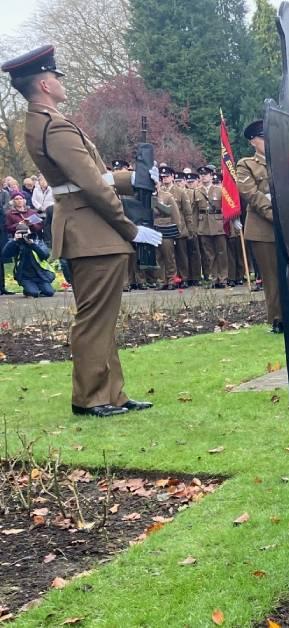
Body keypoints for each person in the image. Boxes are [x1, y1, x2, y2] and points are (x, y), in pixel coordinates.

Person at [4, 44, 161, 417]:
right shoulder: (53, 125)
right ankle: (90, 397)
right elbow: (89, 184)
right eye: (56, 76)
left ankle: (112, 394)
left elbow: (92, 177)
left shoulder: (45, 121)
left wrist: (133, 178)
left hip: (89, 230)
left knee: (102, 318)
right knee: (94, 319)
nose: (60, 81)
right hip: (91, 232)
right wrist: (129, 228)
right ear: (44, 83)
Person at [235, 119, 283, 332]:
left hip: (288, 227)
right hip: (264, 228)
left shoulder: (282, 160)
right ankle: (278, 319)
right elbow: (251, 194)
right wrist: (275, 214)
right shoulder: (246, 164)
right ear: (253, 141)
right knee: (272, 277)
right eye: (263, 137)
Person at [1, 223, 55, 297]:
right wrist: (14, 240)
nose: (24, 235)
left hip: (40, 275)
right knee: (33, 293)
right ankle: (28, 289)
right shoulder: (16, 243)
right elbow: (5, 255)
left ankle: (38, 287)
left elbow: (45, 255)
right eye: (21, 233)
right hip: (25, 276)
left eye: (26, 233)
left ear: (29, 231)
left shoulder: (36, 240)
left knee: (49, 293)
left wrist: (33, 244)